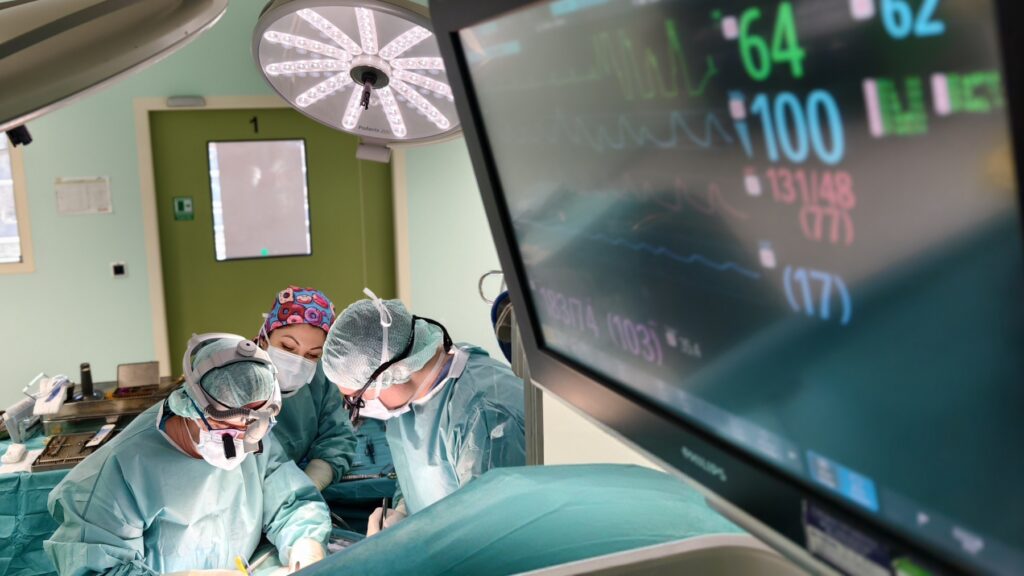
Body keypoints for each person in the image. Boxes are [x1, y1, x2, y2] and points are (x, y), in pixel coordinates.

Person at [44, 334, 330, 575]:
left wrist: (306, 546)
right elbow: (99, 569)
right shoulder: (121, 470)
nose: (242, 438)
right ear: (191, 407)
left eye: (252, 425)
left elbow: (291, 503)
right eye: (227, 426)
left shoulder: (252, 435)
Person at [322, 289, 527, 533]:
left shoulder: (486, 417)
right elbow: (414, 477)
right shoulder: (408, 400)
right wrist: (402, 510)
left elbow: (491, 534)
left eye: (357, 398)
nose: (361, 408)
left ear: (393, 372)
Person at [257, 285, 357, 492]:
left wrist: (311, 484)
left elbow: (337, 437)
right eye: (287, 347)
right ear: (264, 339)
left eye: (312, 355)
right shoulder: (237, 380)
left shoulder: (319, 379)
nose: (296, 364)